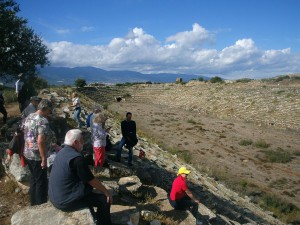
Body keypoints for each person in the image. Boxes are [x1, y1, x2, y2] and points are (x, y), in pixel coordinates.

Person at [49, 129, 112, 225]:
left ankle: (93, 215)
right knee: (104, 200)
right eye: (82, 140)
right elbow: (91, 180)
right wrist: (106, 192)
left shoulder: (62, 152)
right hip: (65, 202)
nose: (83, 142)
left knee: (88, 190)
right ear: (75, 142)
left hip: (54, 197)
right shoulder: (77, 159)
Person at [23, 99, 53, 206]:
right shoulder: (42, 121)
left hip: (27, 152)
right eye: (50, 111)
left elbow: (26, 133)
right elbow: (40, 141)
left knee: (34, 178)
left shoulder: (29, 116)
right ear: (45, 109)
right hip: (37, 156)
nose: (50, 113)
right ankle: (40, 205)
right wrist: (44, 158)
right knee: (41, 181)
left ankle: (33, 202)